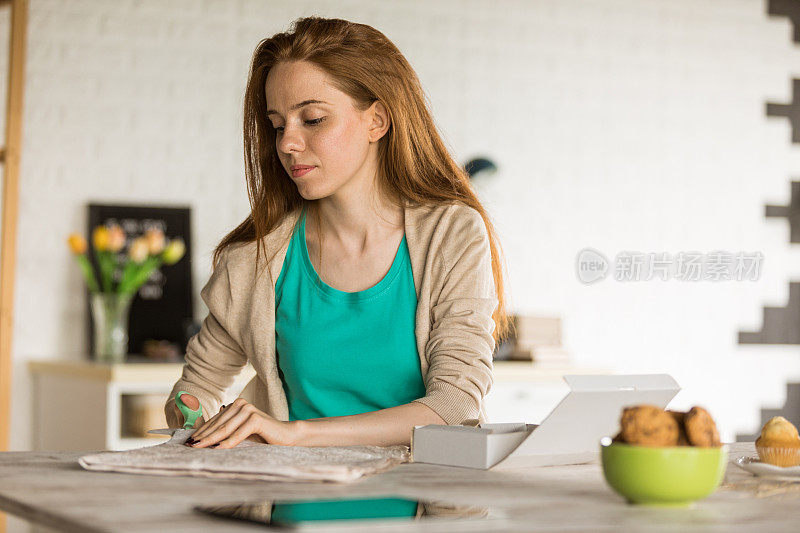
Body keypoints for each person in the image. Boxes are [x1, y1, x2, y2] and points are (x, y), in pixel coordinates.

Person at [165, 15, 511, 451]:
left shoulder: (452, 234)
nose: (287, 142)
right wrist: (192, 407)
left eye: (312, 119)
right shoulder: (255, 259)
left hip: (418, 514)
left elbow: (456, 403)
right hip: (288, 513)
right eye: (277, 125)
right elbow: (198, 386)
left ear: (377, 121)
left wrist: (294, 435)